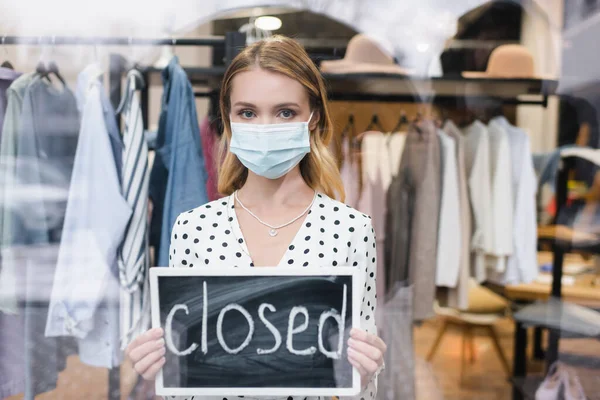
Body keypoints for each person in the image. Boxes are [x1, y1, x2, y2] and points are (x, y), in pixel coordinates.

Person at [125, 35, 386, 400]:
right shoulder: (193, 229)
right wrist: (157, 367)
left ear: (313, 118)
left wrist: (365, 371)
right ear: (229, 121)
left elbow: (357, 385)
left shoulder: (352, 230)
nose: (264, 127)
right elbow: (184, 381)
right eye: (248, 112)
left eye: (285, 112)